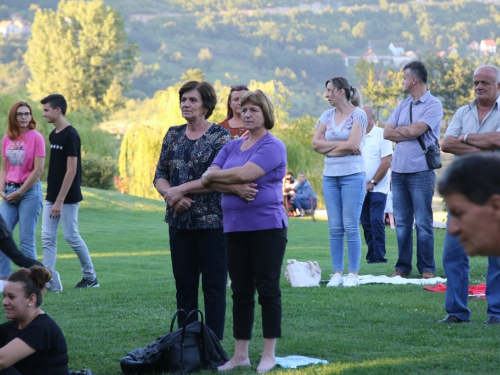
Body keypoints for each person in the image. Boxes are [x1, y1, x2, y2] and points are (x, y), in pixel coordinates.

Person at [201, 89, 287, 374]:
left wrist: (215, 176)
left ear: (266, 114)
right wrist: (228, 184)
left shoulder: (272, 146)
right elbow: (209, 180)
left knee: (267, 289)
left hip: (267, 228)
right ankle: (240, 355)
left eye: (254, 110)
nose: (247, 114)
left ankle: (269, 354)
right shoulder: (231, 146)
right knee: (240, 291)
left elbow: (246, 174)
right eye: (244, 109)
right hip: (234, 228)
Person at [153, 81, 231, 340]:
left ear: (207, 105)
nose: (186, 104)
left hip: (212, 223)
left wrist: (180, 190)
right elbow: (160, 175)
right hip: (179, 222)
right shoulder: (172, 134)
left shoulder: (220, 136)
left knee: (214, 286)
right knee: (184, 285)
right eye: (183, 99)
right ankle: (186, 343)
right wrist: (170, 196)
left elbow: (216, 178)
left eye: (192, 100)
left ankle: (213, 344)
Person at [438, 65, 500, 325]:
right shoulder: (463, 111)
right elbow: (447, 143)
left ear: (498, 85)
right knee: (453, 253)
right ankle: (456, 312)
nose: (478, 87)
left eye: (485, 82)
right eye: (475, 82)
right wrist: (486, 147)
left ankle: (496, 314)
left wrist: (466, 139)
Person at [383, 61, 443, 279]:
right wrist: (406, 131)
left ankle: (427, 268)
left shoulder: (433, 105)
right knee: (402, 223)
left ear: (414, 80)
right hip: (398, 172)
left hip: (421, 171)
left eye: (403, 78)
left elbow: (418, 130)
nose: (401, 81)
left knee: (424, 223)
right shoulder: (403, 105)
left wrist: (405, 130)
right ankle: (402, 268)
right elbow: (387, 132)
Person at [40, 94, 99, 292]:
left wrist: (60, 200)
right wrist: (52, 198)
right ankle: (48, 281)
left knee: (71, 236)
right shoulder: (53, 135)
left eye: (46, 110)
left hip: (67, 197)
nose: (43, 114)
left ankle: (90, 278)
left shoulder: (71, 135)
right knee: (47, 238)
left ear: (58, 110)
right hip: (52, 196)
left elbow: (71, 170)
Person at [312, 76, 367, 288]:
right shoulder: (326, 116)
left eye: (329, 90)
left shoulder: (359, 115)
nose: (326, 95)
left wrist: (331, 148)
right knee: (335, 227)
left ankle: (353, 273)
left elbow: (354, 143)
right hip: (330, 177)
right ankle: (337, 272)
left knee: (350, 225)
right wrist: (342, 147)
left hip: (353, 176)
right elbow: (316, 144)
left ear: (340, 92)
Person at [0, 102, 45, 280]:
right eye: (20, 114)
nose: (24, 117)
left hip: (29, 193)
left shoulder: (37, 138)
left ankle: (34, 281)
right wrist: (2, 189)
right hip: (9, 192)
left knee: (26, 241)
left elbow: (38, 170)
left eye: (27, 114)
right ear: (14, 116)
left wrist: (20, 193)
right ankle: (3, 281)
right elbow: (4, 168)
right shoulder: (6, 139)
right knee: (2, 239)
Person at [0, 266, 68, 374]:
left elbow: (1, 361)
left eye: (11, 297)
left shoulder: (42, 328)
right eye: (4, 296)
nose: (5, 302)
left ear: (31, 299)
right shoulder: (14, 326)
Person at [360, 105, 393, 263]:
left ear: (372, 117)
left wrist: (372, 183)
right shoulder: (356, 135)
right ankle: (372, 255)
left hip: (378, 187)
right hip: (360, 188)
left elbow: (386, 162)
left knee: (375, 220)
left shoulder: (382, 134)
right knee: (365, 222)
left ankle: (379, 256)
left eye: (364, 114)